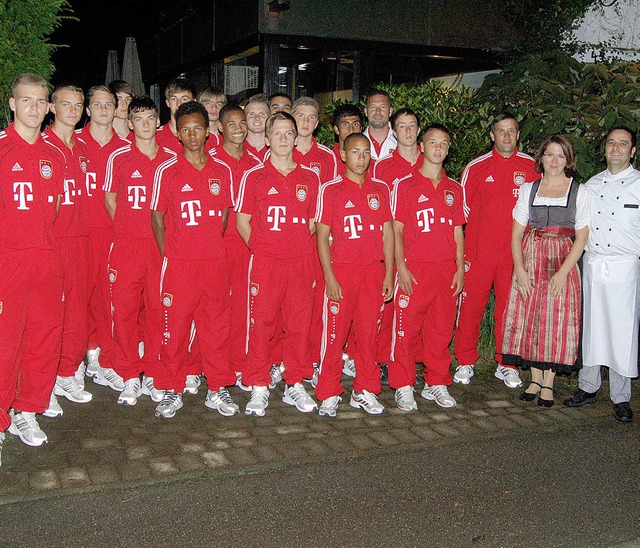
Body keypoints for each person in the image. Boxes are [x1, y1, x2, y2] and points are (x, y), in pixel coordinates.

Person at [151, 101, 238, 419]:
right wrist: (171, 253)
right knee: (173, 329)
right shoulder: (167, 170)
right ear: (176, 131)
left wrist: (208, 244)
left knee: (216, 328)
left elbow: (225, 216)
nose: (191, 135)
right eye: (185, 128)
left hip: (214, 263)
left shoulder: (222, 171)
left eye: (197, 128)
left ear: (208, 130)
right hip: (180, 265)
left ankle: (217, 388)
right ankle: (171, 388)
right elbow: (157, 218)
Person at [236, 112, 319, 417]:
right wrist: (262, 248)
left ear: (296, 138)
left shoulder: (310, 177)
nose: (283, 139)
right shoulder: (253, 176)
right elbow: (242, 221)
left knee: (299, 325)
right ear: (267, 139)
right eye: (278, 134)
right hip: (266, 263)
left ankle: (294, 382)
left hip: (300, 263)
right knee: (262, 325)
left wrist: (293, 242)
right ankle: (258, 385)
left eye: (289, 134)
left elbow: (313, 221)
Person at [0, 73, 65, 456]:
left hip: (46, 258)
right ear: (12, 104)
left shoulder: (52, 155)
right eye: (27, 101)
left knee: (42, 340)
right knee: (5, 343)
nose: (35, 108)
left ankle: (27, 408)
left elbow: (53, 209)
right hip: (9, 261)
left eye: (41, 102)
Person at [501, 135, 589, 407]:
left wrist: (564, 272)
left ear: (568, 160)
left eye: (560, 156)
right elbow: (516, 234)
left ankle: (549, 382)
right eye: (549, 155)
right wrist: (520, 269)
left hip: (562, 259)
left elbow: (582, 236)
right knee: (531, 317)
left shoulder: (579, 191)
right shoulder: (529, 189)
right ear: (541, 159)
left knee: (556, 319)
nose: (554, 161)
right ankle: (535, 378)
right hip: (531, 257)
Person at [453, 113, 538, 388]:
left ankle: (507, 363)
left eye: (511, 131)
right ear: (492, 135)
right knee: (470, 310)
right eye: (501, 131)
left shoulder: (531, 167)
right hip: (478, 255)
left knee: (509, 310)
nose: (506, 136)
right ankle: (465, 361)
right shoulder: (476, 168)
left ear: (518, 135)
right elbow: (460, 214)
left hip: (513, 256)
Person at [314, 133, 394, 417]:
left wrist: (388, 273)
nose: (361, 158)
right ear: (343, 155)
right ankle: (328, 391)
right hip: (343, 271)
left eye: (366, 152)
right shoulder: (330, 190)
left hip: (373, 271)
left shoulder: (381, 189)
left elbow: (388, 234)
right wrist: (330, 277)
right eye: (355, 152)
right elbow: (322, 237)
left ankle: (365, 389)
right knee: (334, 336)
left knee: (368, 334)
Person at [564, 126, 639, 422]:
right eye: (611, 143)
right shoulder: (591, 186)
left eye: (623, 143)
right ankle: (588, 386)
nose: (616, 148)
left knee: (623, 333)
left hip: (625, 267)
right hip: (594, 264)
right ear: (605, 149)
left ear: (632, 151)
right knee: (592, 328)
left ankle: (621, 397)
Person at [104, 96, 176, 406]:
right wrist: (128, 229)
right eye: (139, 120)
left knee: (160, 311)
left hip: (160, 248)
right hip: (127, 247)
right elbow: (110, 200)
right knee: (125, 311)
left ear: (158, 122)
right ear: (130, 124)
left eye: (150, 119)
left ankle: (155, 373)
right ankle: (130, 376)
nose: (145, 125)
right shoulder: (119, 158)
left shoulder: (173, 158)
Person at [390, 124, 465, 409]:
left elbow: (458, 231)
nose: (438, 148)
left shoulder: (454, 189)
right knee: (406, 330)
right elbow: (396, 231)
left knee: (441, 330)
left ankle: (436, 382)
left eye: (444, 144)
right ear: (422, 146)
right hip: (415, 267)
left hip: (446, 269)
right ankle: (404, 384)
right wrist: (402, 268)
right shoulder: (405, 185)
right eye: (433, 142)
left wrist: (460, 268)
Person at [44, 84, 93, 414]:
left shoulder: (83, 147)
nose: (73, 110)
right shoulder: (44, 145)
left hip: (81, 241)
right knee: (48, 315)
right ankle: (42, 384)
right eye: (66, 104)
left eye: (78, 105)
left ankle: (65, 372)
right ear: (52, 107)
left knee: (76, 311)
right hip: (52, 243)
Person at [78, 85, 130, 389]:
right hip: (81, 233)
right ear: (88, 109)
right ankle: (84, 351)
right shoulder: (75, 142)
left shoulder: (125, 146)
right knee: (81, 296)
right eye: (97, 105)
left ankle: (103, 354)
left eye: (109, 105)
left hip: (113, 234)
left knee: (109, 297)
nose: (103, 110)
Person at [211, 104, 261, 386]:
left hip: (246, 244)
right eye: (232, 123)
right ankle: (209, 363)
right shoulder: (209, 158)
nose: (239, 128)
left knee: (243, 305)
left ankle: (239, 362)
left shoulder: (256, 163)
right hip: (215, 245)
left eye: (242, 123)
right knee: (216, 307)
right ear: (220, 127)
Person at [373, 107, 424, 380]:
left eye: (412, 125)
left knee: (419, 308)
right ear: (394, 131)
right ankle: (383, 359)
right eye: (401, 126)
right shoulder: (383, 167)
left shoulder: (430, 161)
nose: (407, 131)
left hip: (424, 248)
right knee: (389, 304)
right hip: (393, 245)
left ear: (418, 130)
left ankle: (414, 359)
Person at [292, 96, 339, 377]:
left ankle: (313, 357)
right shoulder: (280, 149)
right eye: (301, 116)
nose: (306, 122)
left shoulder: (327, 157)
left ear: (318, 122)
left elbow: (331, 199)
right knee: (291, 303)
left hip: (318, 241)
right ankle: (285, 358)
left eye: (311, 117)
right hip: (289, 242)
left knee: (317, 302)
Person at [155, 78, 197, 152]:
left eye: (184, 99)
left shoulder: (206, 137)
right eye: (174, 99)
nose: (179, 104)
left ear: (194, 102)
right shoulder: (156, 137)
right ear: (167, 103)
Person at [363, 89, 396, 168]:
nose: (378, 111)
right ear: (366, 112)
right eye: (373, 107)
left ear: (390, 111)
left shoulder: (401, 141)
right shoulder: (357, 142)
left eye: (383, 107)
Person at [332, 103, 364, 175]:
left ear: (361, 129)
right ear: (336, 129)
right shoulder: (328, 159)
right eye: (345, 125)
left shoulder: (368, 161)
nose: (351, 130)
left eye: (355, 124)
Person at [243, 94, 270, 162]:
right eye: (251, 114)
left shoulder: (279, 147)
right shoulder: (235, 147)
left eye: (262, 114)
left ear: (270, 117)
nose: (257, 118)